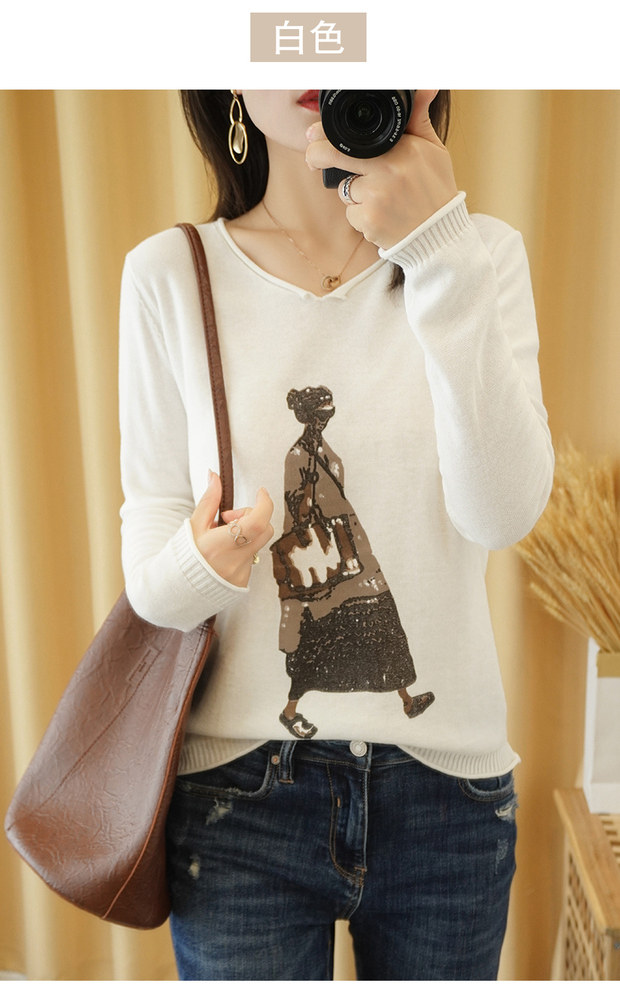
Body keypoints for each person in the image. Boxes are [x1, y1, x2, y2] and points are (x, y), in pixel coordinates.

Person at [118, 89, 554, 980]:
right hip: (239, 799)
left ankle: (399, 690)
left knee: (359, 612)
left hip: (449, 797)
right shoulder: (171, 273)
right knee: (317, 626)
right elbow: (151, 576)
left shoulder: (480, 255)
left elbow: (502, 513)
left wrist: (438, 249)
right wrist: (202, 566)